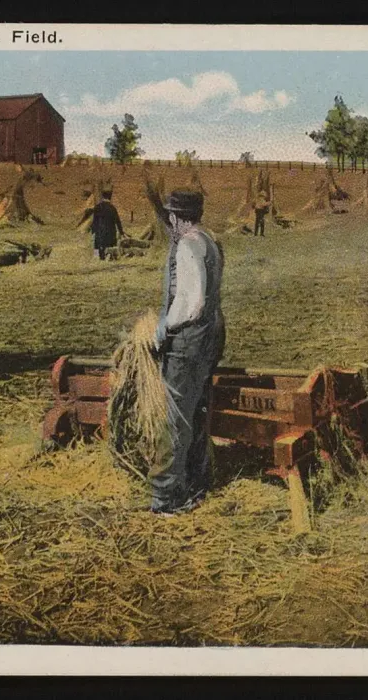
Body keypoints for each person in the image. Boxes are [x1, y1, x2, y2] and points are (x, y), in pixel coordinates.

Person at [149, 189, 226, 516]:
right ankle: (196, 485)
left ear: (177, 217)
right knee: (195, 411)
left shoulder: (187, 245)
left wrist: (165, 325)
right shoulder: (210, 242)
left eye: (170, 218)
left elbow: (190, 303)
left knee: (175, 417)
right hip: (210, 336)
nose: (169, 224)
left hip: (189, 339)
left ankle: (168, 498)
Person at [89, 190, 125, 260]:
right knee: (110, 250)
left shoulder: (97, 207)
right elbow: (118, 221)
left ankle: (96, 259)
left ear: (102, 197)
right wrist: (121, 232)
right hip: (110, 233)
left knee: (97, 247)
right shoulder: (112, 208)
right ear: (110, 197)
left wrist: (93, 231)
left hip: (100, 233)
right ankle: (111, 259)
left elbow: (95, 221)